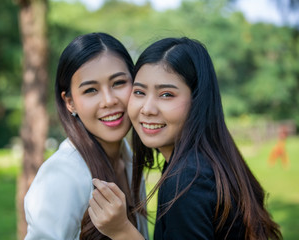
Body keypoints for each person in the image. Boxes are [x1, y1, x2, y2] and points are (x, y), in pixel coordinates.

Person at [88, 37, 282, 240]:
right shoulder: (202, 162)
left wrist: (121, 231)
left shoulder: (188, 180)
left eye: (166, 95)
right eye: (139, 92)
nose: (147, 109)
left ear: (197, 101)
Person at [24, 32, 148, 240]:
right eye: (91, 90)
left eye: (118, 83)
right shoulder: (63, 174)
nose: (109, 101)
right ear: (70, 102)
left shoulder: (128, 160)